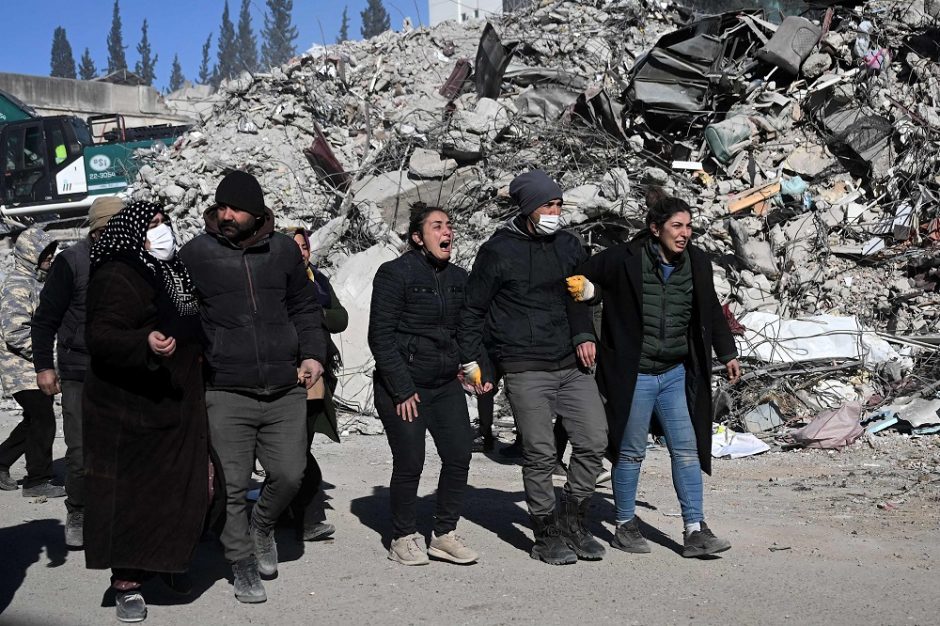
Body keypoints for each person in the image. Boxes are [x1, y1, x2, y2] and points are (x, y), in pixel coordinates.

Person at [567, 189, 741, 558]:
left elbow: (710, 308)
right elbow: (576, 284)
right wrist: (584, 332)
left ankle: (695, 529)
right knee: (630, 453)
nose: (685, 233)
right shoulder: (622, 259)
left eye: (689, 226)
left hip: (675, 372)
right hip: (635, 374)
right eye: (676, 226)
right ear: (654, 228)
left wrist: (727, 352)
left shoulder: (696, 262)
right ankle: (625, 525)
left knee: (687, 450)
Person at [178, 170, 325, 603]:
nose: (226, 215)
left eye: (235, 208)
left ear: (256, 212)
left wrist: (313, 353)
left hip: (283, 387)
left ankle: (263, 526)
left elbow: (303, 306)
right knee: (232, 485)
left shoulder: (282, 250)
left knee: (289, 474)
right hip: (225, 389)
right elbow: (180, 315)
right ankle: (242, 564)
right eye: (221, 207)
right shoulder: (196, 254)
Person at [458, 169, 608, 565]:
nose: (555, 212)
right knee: (540, 453)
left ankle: (574, 520)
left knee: (594, 440)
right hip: (525, 365)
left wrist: (590, 306)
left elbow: (583, 291)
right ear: (527, 209)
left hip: (570, 362)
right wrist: (475, 362)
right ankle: (545, 533)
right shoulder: (498, 251)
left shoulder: (569, 245)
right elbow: (473, 311)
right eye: (547, 205)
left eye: (559, 204)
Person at [83, 201, 209, 623]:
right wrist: (145, 343)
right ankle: (127, 583)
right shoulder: (119, 272)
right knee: (133, 498)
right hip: (129, 408)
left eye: (164, 223)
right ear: (132, 232)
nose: (162, 231)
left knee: (177, 491)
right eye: (152, 225)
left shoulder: (173, 272)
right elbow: (101, 335)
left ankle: (164, 564)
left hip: (176, 401)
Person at [368, 203, 477, 566]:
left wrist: (477, 369)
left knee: (460, 454)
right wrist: (401, 388)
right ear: (417, 237)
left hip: (444, 382)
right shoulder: (394, 273)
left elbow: (465, 332)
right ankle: (402, 536)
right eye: (436, 226)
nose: (446, 232)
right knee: (411, 459)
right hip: (404, 384)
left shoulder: (459, 278)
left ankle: (444, 534)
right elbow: (380, 336)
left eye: (449, 225)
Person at [31, 196, 124, 548]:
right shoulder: (72, 262)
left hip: (122, 372)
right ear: (98, 229)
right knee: (82, 449)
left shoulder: (134, 260)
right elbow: (45, 320)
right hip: (79, 371)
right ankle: (79, 509)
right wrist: (44, 367)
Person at [285, 225, 348, 542]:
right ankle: (296, 513)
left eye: (305, 246)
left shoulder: (318, 280)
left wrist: (312, 312)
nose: (302, 251)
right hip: (287, 370)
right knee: (289, 446)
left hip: (316, 373)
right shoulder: (277, 281)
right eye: (294, 246)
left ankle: (303, 515)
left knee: (300, 442)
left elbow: (341, 318)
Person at [0, 226, 61, 498]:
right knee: (44, 419)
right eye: (44, 253)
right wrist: (48, 359)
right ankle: (37, 479)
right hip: (20, 368)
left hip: (32, 367)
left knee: (34, 420)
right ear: (29, 254)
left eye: (50, 252)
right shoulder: (17, 285)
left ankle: (1, 462)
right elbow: (14, 332)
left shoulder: (36, 282)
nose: (49, 257)